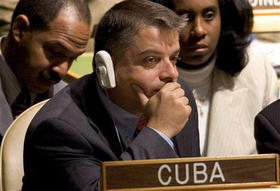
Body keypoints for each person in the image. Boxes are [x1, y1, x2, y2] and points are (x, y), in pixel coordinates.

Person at [22, 0, 200, 190]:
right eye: (151, 60)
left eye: (173, 58)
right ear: (105, 67)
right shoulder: (59, 130)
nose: (171, 74)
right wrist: (158, 132)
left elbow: (195, 182)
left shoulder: (178, 96)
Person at [151, 0, 278, 156]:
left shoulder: (257, 71)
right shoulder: (146, 80)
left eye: (209, 16)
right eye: (185, 18)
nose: (198, 30)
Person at [0, 0, 91, 141]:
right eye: (55, 51)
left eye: (74, 58)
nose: (63, 70)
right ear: (20, 29)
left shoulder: (71, 103)